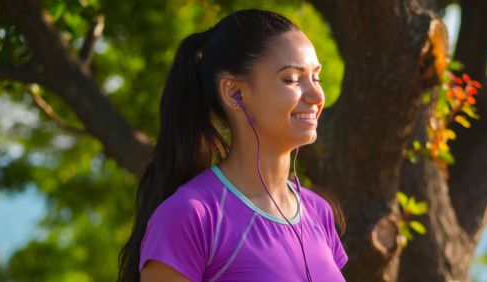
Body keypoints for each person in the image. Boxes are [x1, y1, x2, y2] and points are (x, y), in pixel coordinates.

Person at [116, 9, 348, 282]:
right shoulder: (191, 216)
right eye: (292, 79)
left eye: (316, 77)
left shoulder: (318, 213)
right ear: (234, 92)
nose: (317, 95)